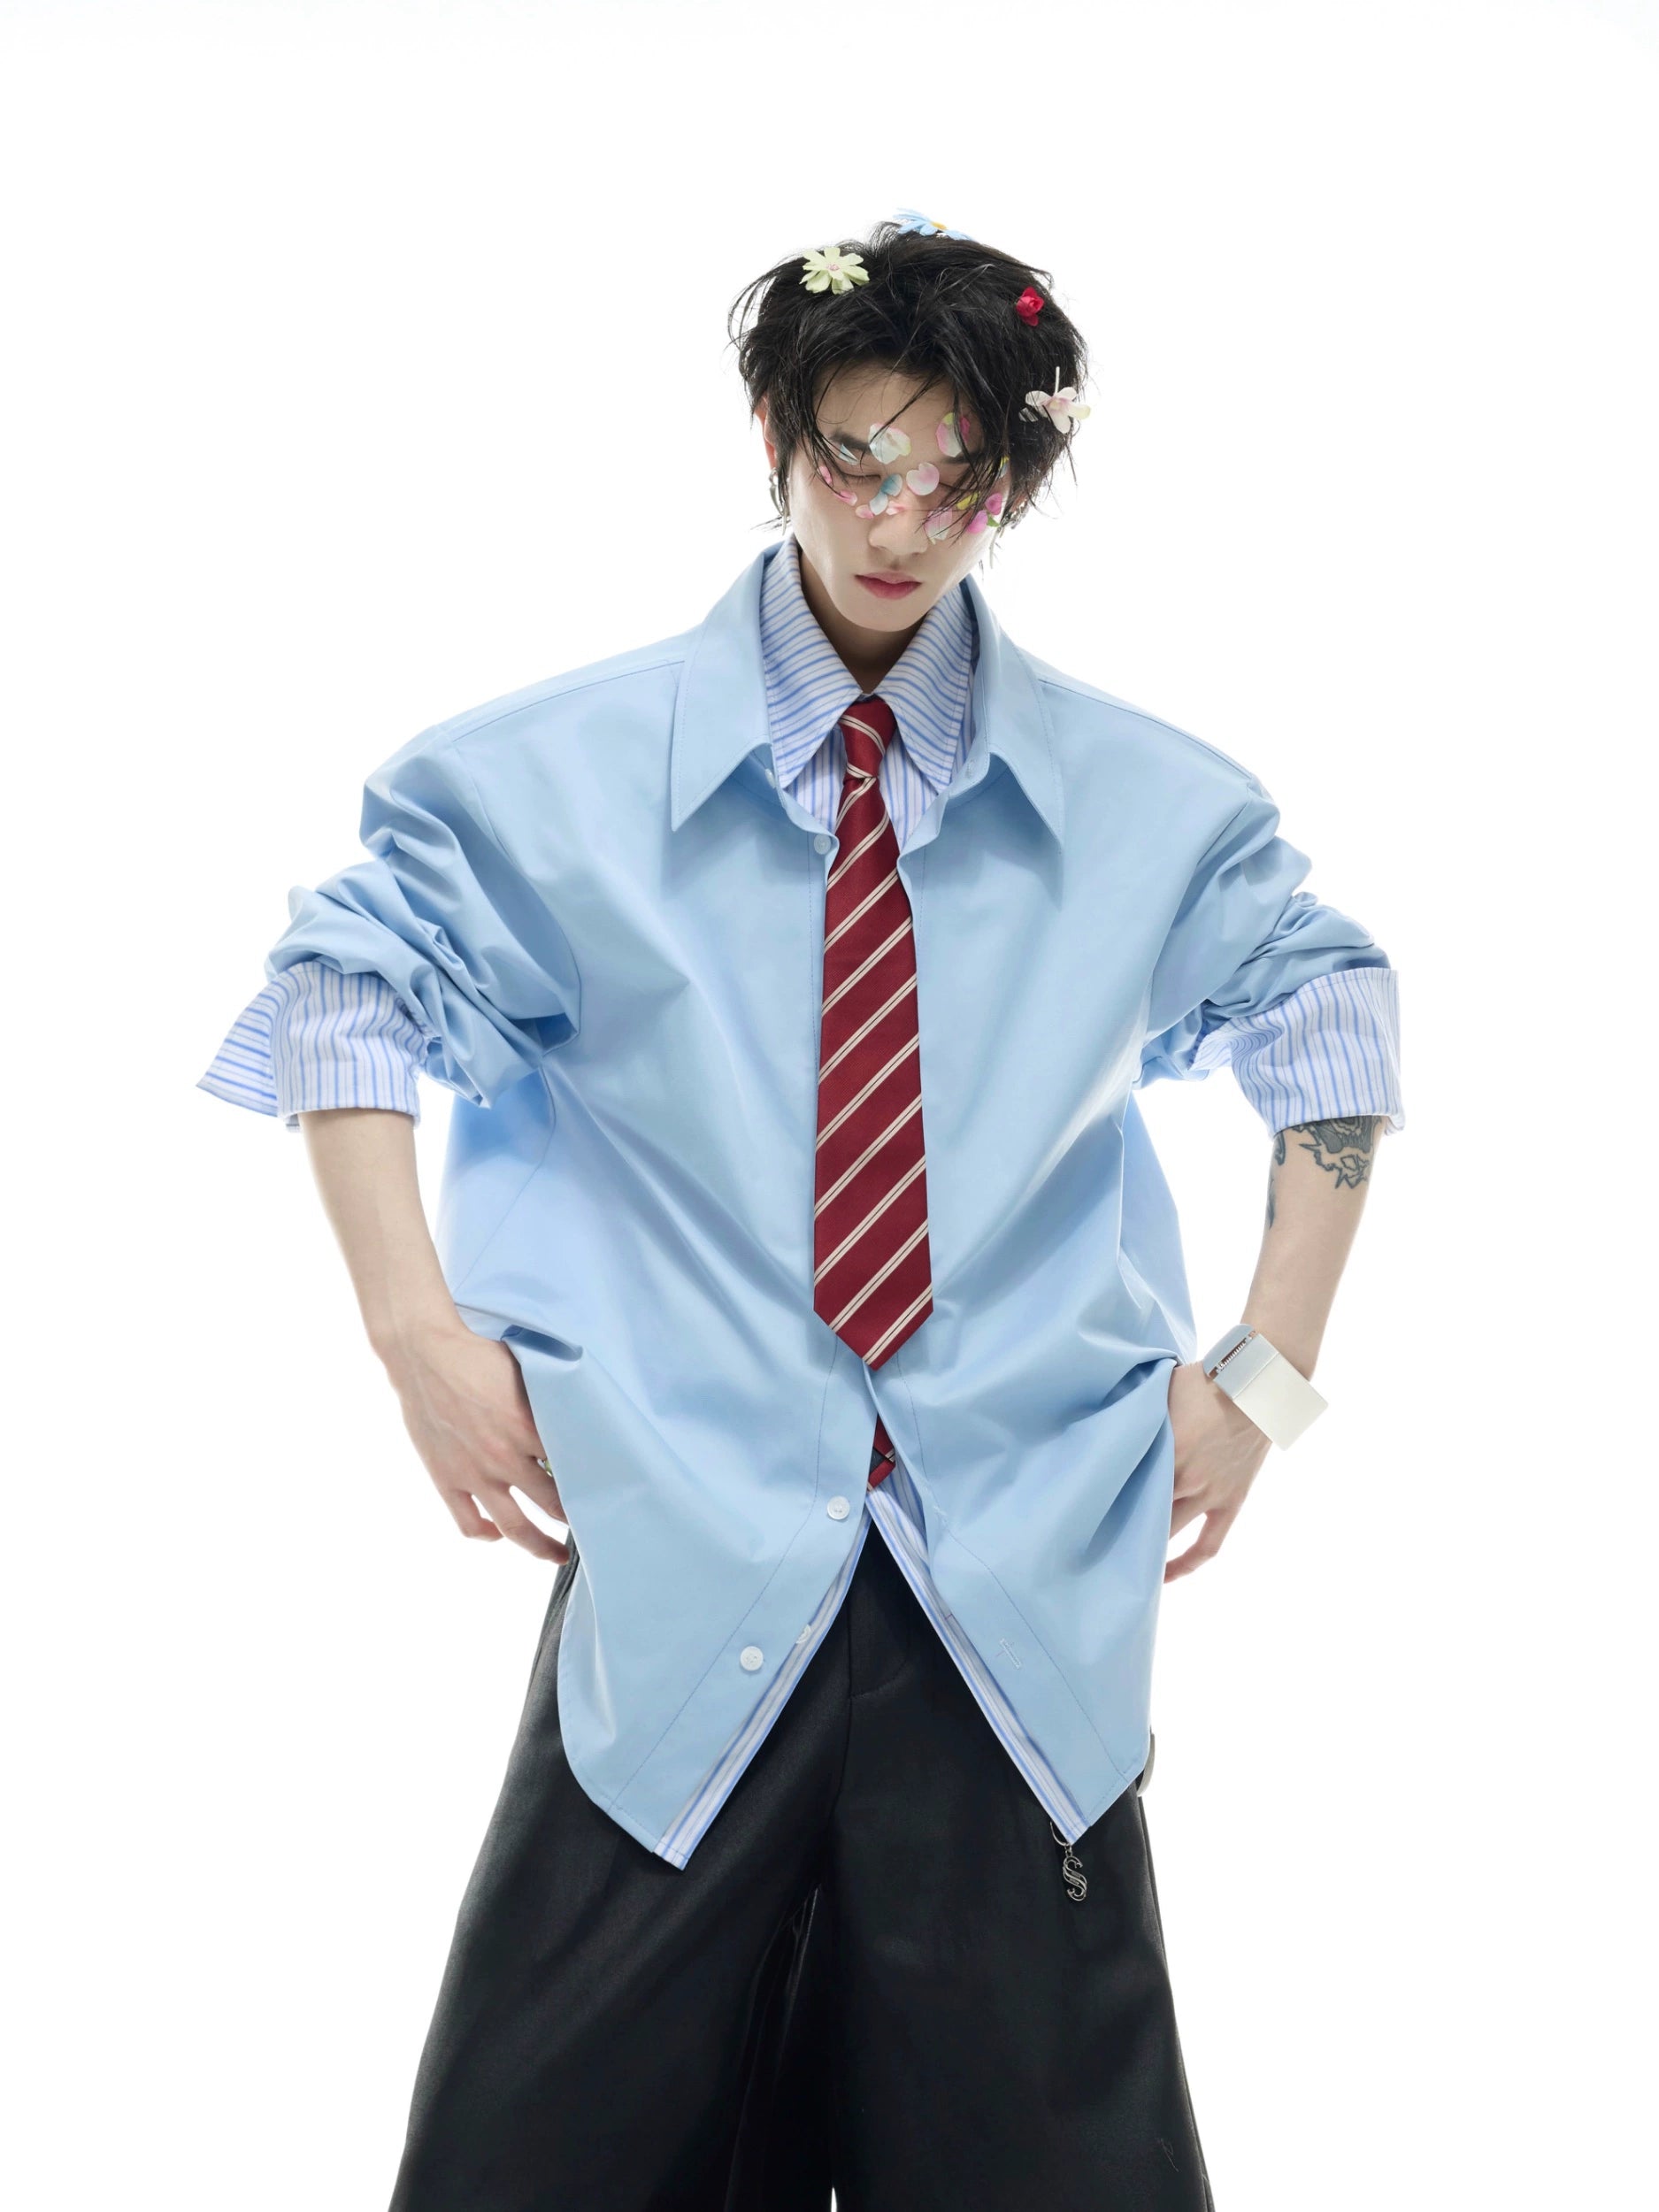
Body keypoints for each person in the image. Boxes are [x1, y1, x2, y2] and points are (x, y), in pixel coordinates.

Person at [198, 214, 1404, 2210]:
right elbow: (345, 984)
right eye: (856, 460)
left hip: (1010, 1577)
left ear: (1011, 489)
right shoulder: (553, 775)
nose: (898, 523)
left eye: (957, 482)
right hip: (685, 1562)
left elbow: (1330, 1014)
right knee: (534, 2153)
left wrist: (1262, 1377)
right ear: (774, 437)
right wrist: (415, 1337)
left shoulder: (1142, 802)